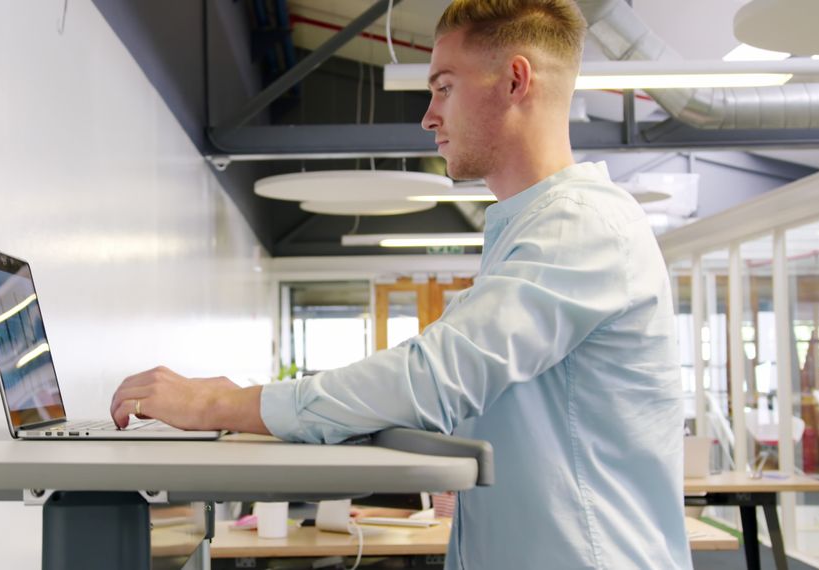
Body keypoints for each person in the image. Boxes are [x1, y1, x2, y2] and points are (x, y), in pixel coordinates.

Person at [110, 0, 691, 567]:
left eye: (443, 87)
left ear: (515, 81)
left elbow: (433, 380)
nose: (428, 115)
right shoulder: (533, 230)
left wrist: (220, 402)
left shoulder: (583, 226)